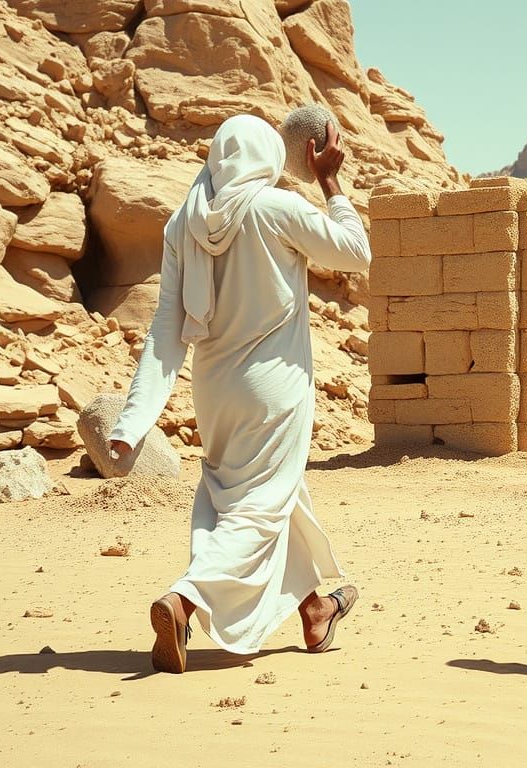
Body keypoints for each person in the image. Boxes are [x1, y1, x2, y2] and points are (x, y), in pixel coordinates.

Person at [107, 113, 371, 674]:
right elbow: (356, 251)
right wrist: (330, 182)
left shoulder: (184, 222)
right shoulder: (276, 207)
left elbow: (164, 331)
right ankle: (185, 598)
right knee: (256, 507)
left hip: (215, 390)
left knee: (269, 494)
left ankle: (315, 607)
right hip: (274, 389)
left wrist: (133, 423)